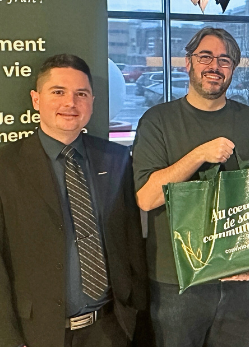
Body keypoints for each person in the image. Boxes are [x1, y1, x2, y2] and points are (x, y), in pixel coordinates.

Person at [132, 27, 249, 347]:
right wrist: (199, 155)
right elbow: (147, 198)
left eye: (225, 60)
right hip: (178, 281)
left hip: (241, 279)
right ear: (188, 62)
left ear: (233, 68)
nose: (215, 66)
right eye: (205, 57)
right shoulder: (157, 121)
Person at [0, 54, 147, 347]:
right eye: (58, 92)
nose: (70, 103)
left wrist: (136, 317)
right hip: (37, 335)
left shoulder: (116, 159)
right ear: (36, 100)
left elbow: (131, 242)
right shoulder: (6, 167)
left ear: (92, 101)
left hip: (111, 329)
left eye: (81, 94)